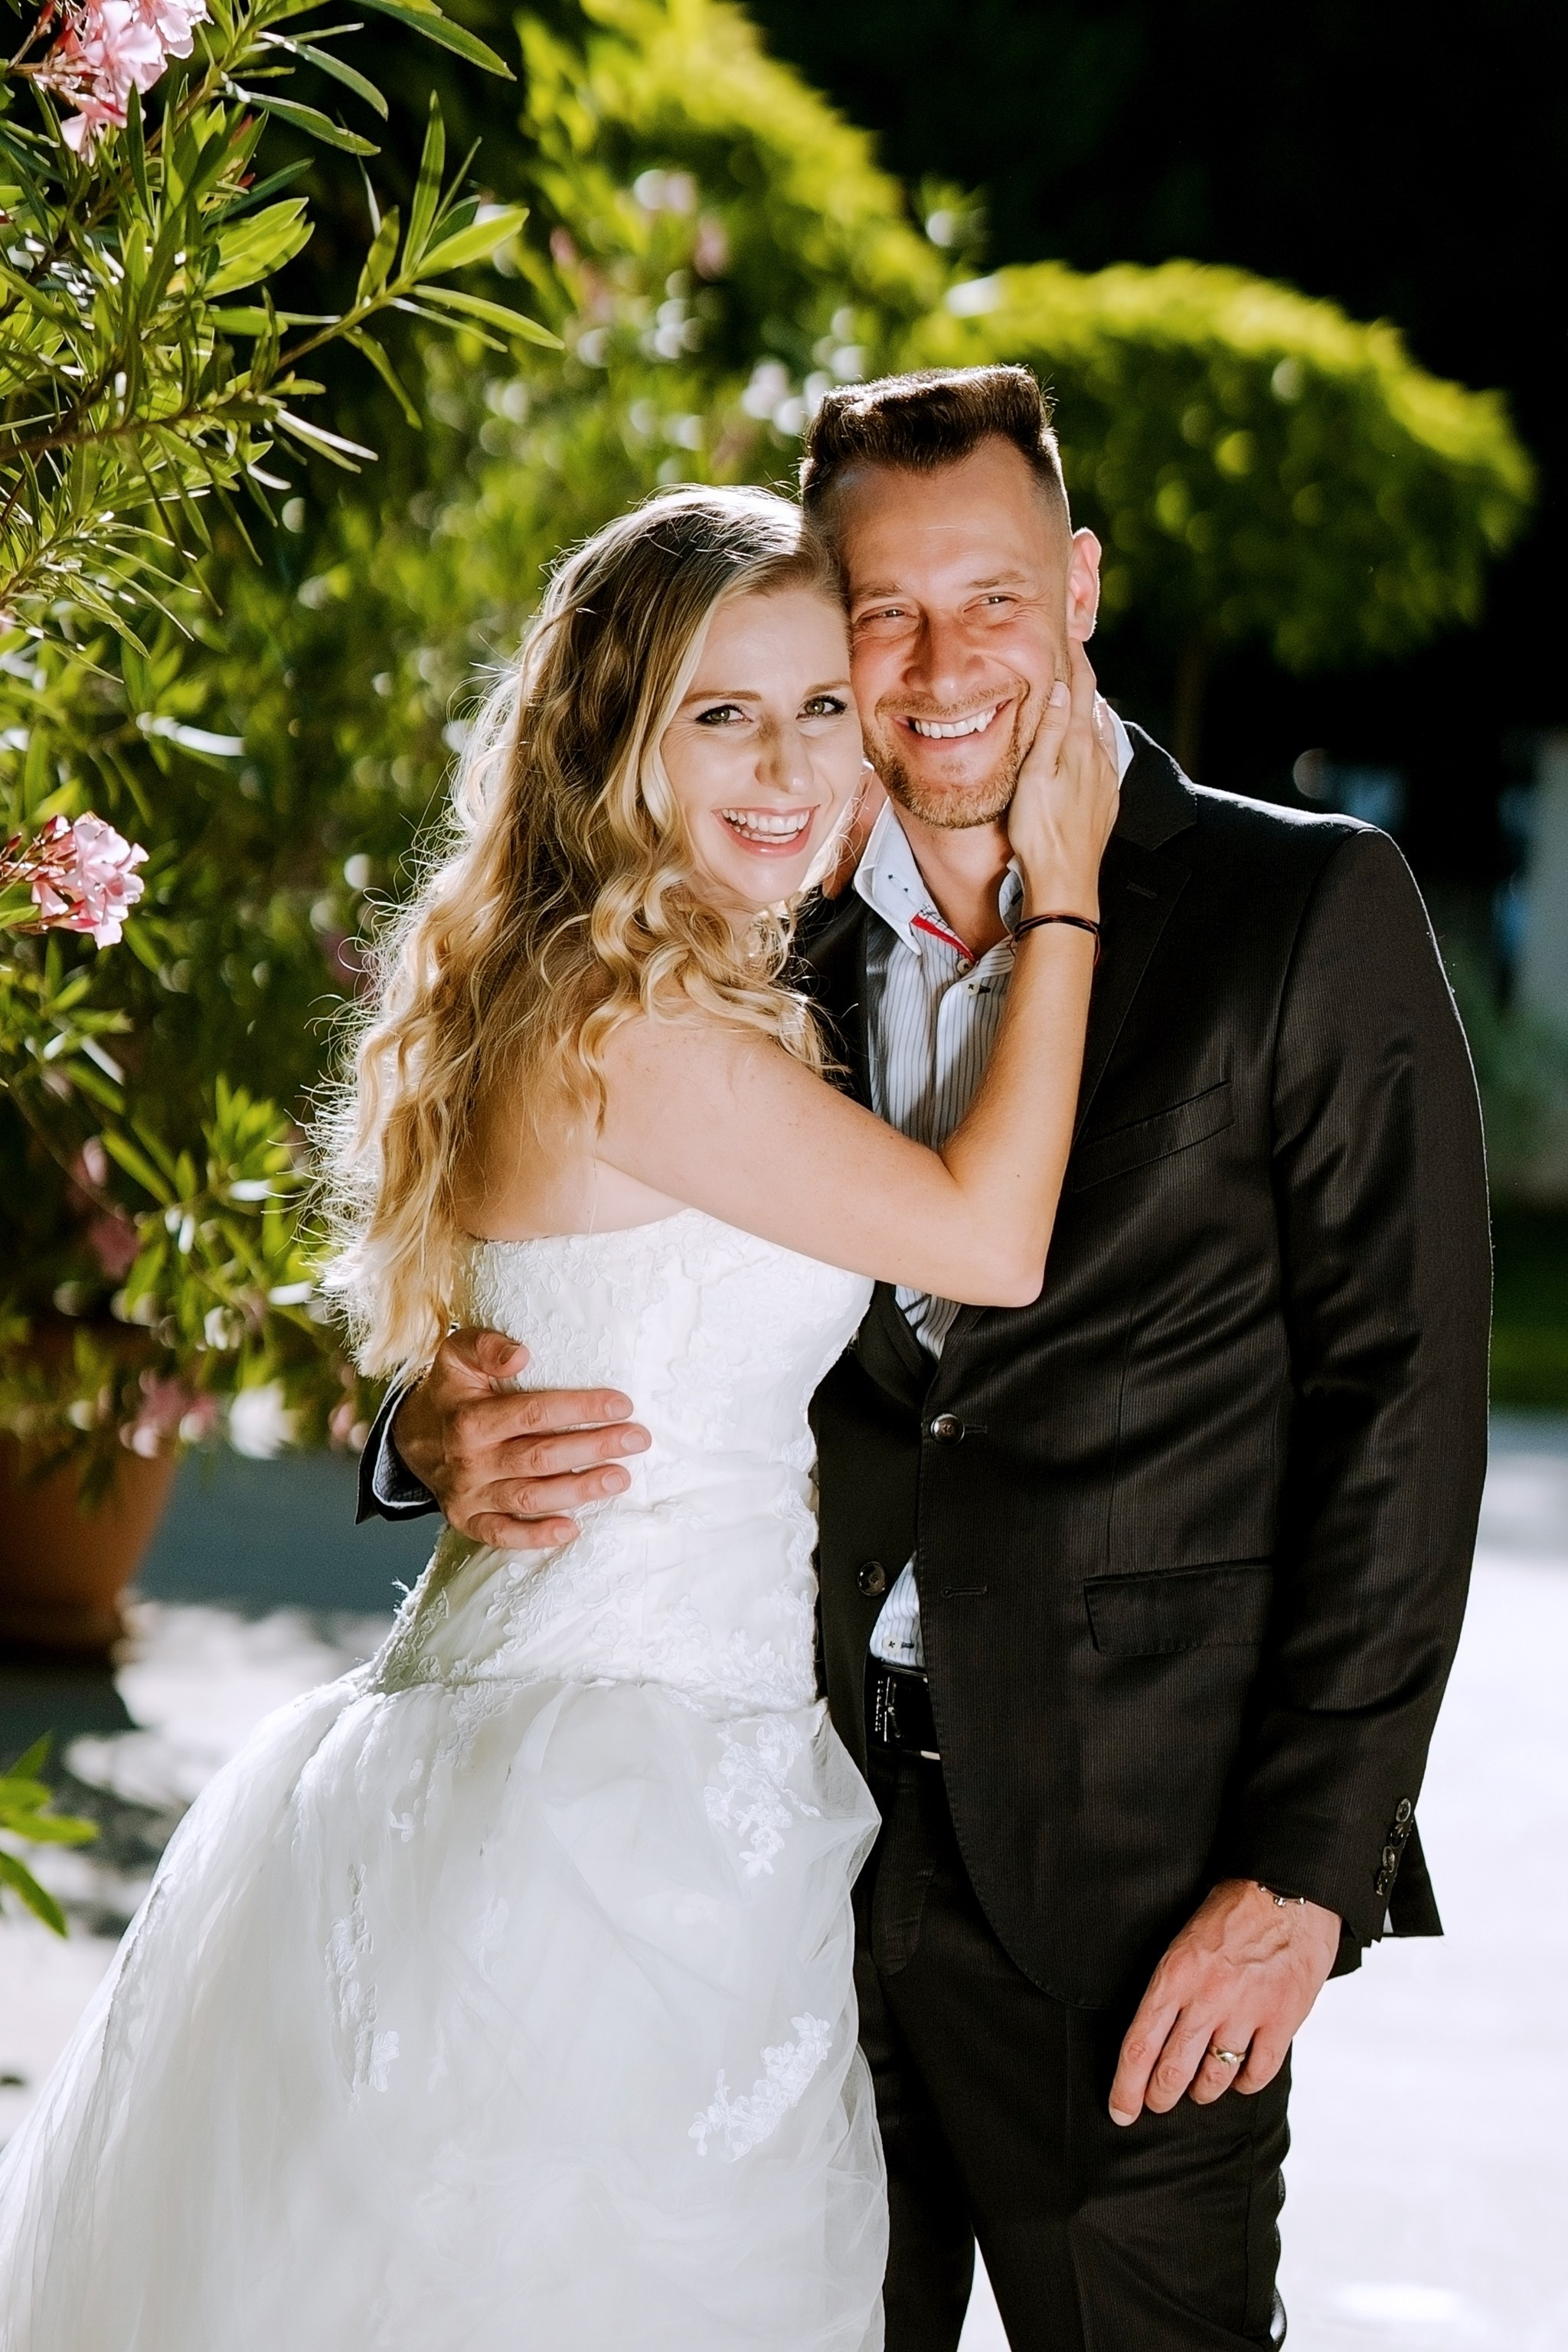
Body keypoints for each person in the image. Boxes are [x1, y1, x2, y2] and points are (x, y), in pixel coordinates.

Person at [367, 368, 1493, 2350]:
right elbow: (577, 1220)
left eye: (992, 597)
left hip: (1135, 1891)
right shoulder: (748, 918)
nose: (941, 663)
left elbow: (1402, 1413)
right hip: (760, 1873)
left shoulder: (1300, 913)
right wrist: (427, 1419)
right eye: (882, 610)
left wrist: (1303, 1872)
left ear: (1080, 585)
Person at [0, 482, 1119, 2352]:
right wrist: (1070, 887)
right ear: (614, 746)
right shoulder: (636, 1025)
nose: (788, 761)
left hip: (585, 1743)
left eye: (817, 704)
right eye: (719, 713)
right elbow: (987, 1239)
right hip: (615, 1811)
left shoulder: (625, 986)